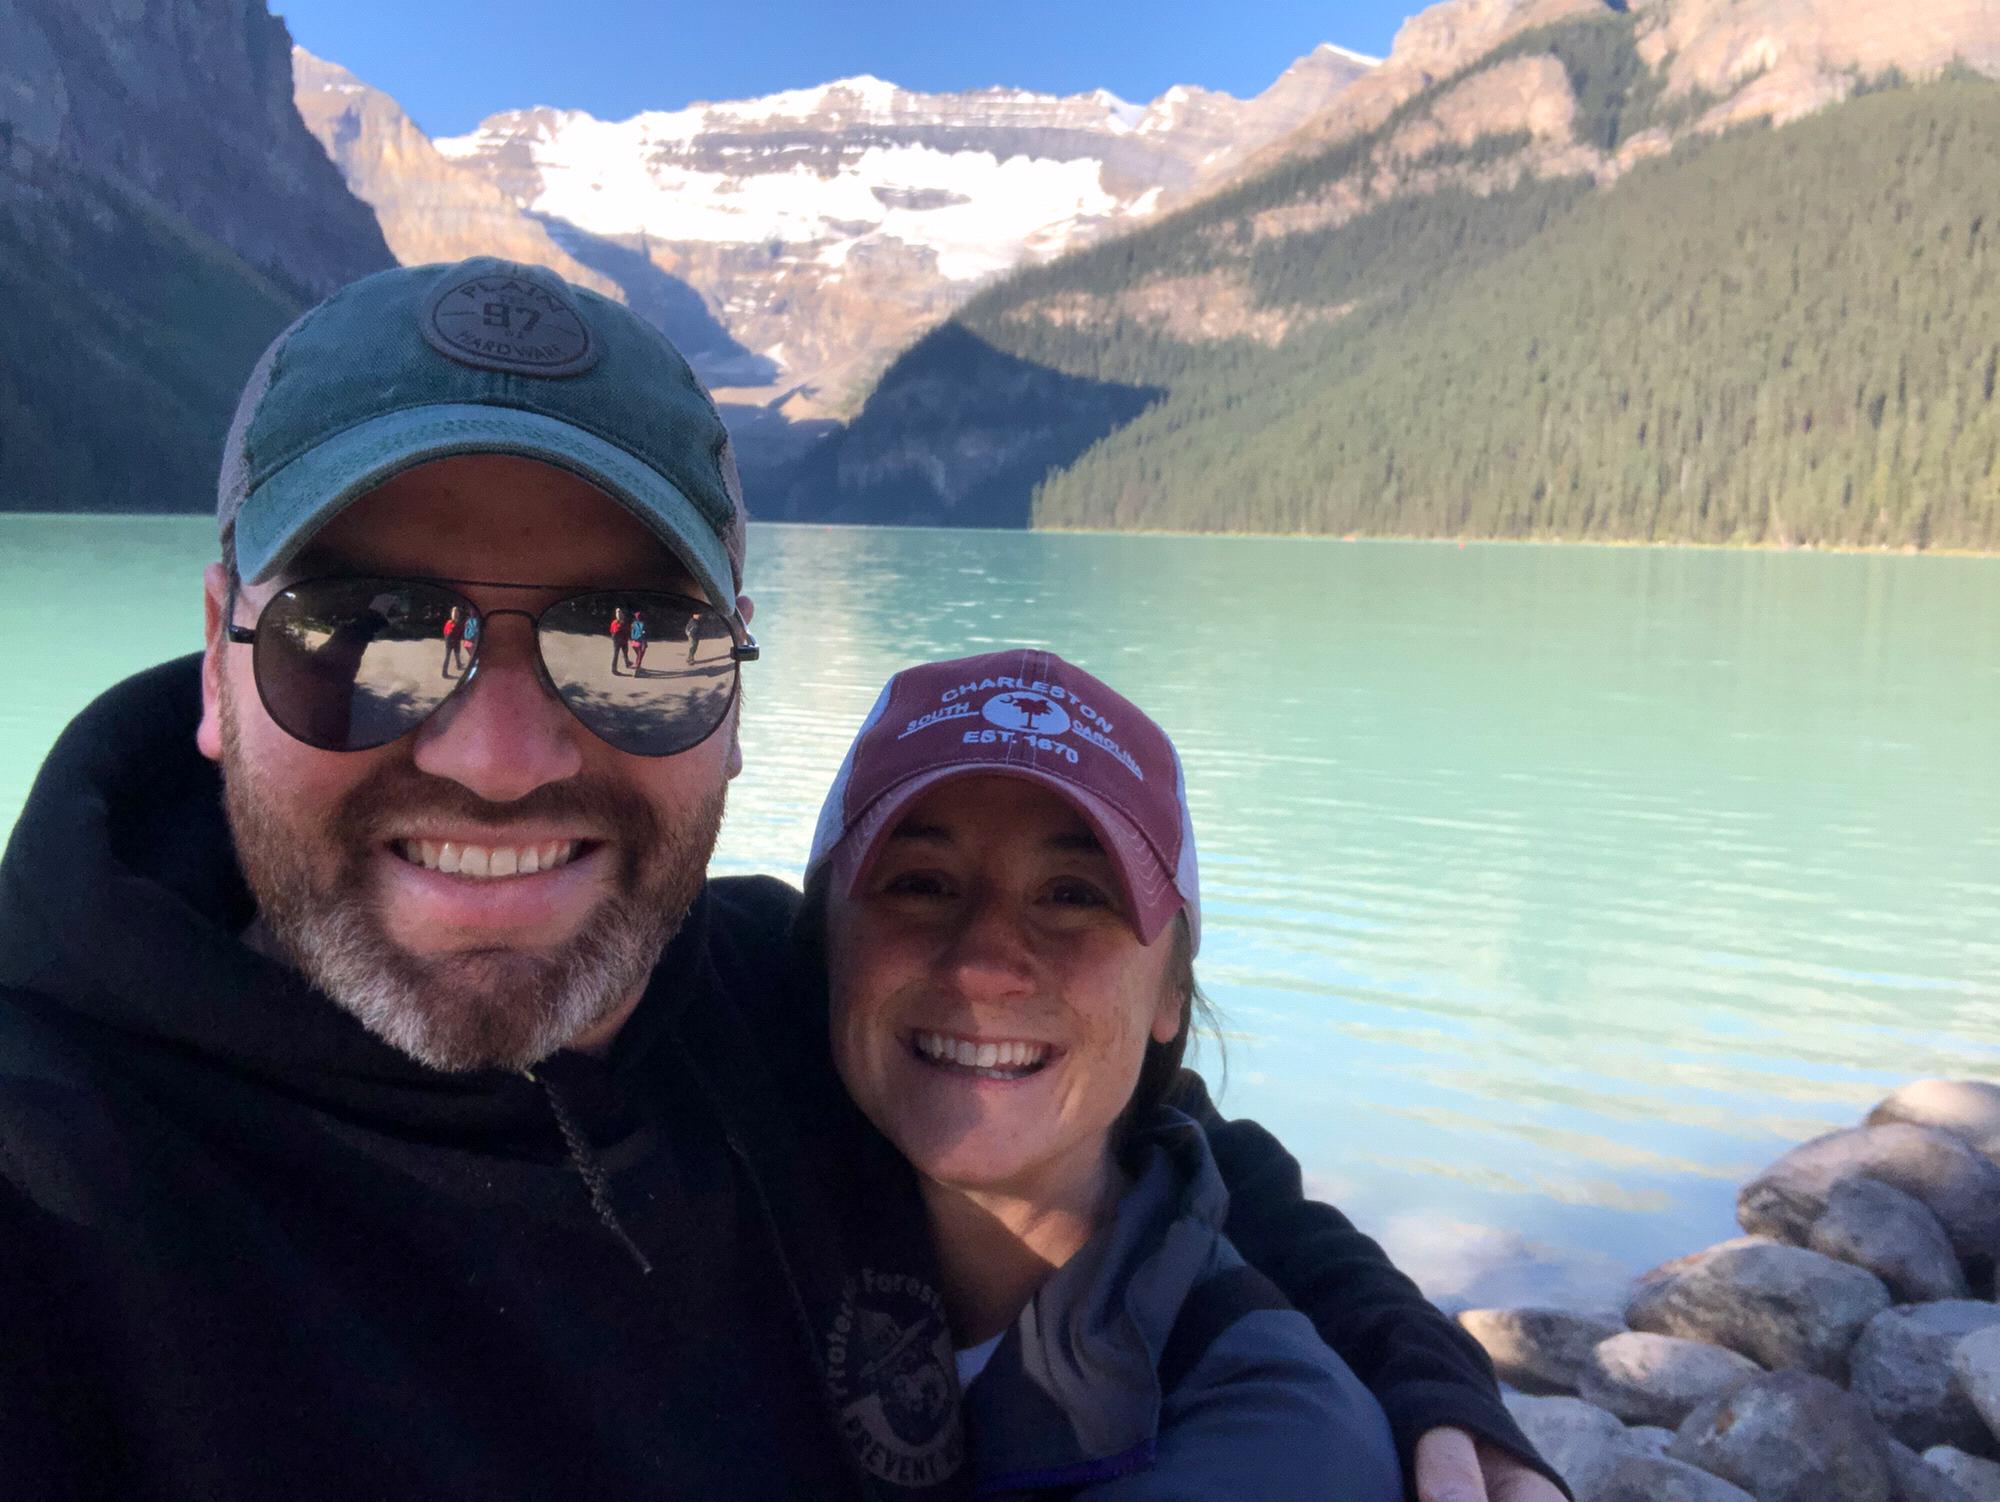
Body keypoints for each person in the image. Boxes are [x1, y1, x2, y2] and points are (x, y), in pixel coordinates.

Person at [0, 256, 1565, 1502]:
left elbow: (1161, 1132)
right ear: (218, 654)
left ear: (735, 696)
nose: (495, 754)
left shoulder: (764, 987)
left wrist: (1416, 1369)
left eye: (638, 645)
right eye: (366, 634)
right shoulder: (62, 1181)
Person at [806, 650, 1401, 1499]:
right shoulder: (727, 1179)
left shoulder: (1275, 1442)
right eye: (923, 883)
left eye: (1074, 896)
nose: (983, 964)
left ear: (1172, 994)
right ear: (822, 945)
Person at [441, 602, 466, 675]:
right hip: (451, 641)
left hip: (455, 641)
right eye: (454, 611)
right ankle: (444, 672)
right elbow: (446, 631)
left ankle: (458, 665)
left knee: (456, 654)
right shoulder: (452, 622)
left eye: (456, 611)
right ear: (452, 613)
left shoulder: (455, 622)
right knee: (449, 656)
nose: (455, 613)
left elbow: (445, 631)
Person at [630, 607, 650, 675]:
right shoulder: (643, 624)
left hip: (634, 641)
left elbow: (632, 633)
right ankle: (637, 670)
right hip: (641, 641)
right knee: (640, 655)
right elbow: (645, 633)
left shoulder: (633, 623)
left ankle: (637, 665)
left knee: (639, 655)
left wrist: (632, 639)